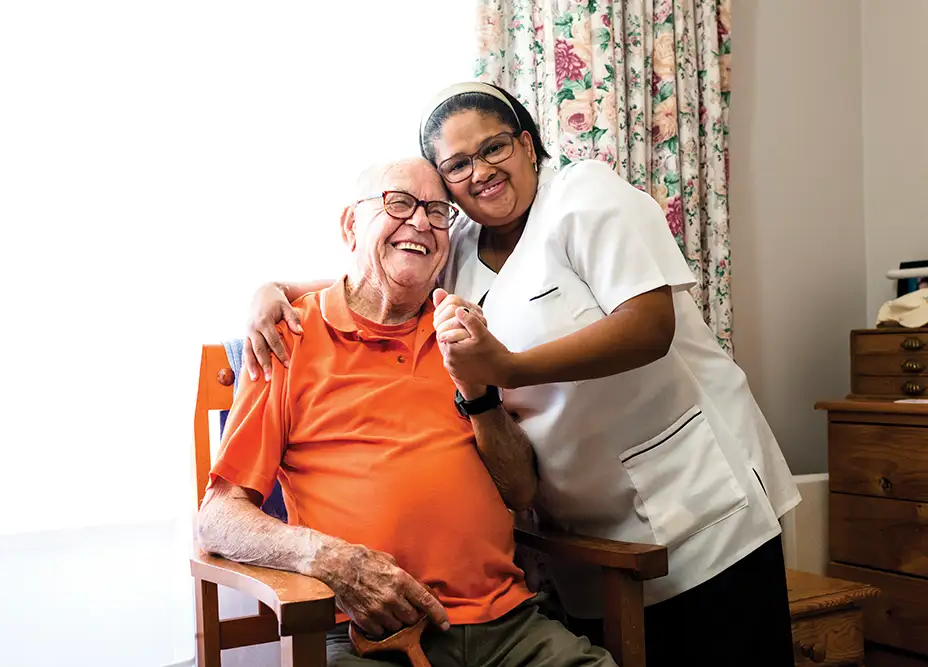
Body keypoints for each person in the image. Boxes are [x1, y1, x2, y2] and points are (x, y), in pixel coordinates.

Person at [242, 82, 802, 666]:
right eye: (457, 165)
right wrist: (274, 291)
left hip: (697, 494)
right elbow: (375, 271)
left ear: (529, 146)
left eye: (494, 148)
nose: (480, 171)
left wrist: (505, 368)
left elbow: (649, 326)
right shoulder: (456, 244)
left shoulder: (584, 194)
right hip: (584, 524)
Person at [197, 157, 615, 667]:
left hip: (507, 627)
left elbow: (522, 492)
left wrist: (479, 392)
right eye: (399, 203)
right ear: (352, 224)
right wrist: (330, 561)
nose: (420, 222)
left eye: (438, 212)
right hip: (367, 636)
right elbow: (217, 519)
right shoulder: (287, 339)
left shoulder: (464, 332)